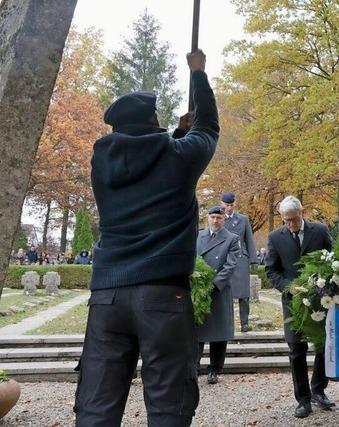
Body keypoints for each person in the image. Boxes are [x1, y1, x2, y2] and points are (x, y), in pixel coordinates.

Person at [74, 49, 219, 427]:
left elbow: (148, 162)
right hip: (162, 294)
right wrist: (199, 76)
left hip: (107, 294)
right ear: (153, 118)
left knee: (97, 401)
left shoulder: (101, 162)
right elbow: (210, 131)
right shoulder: (178, 156)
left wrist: (176, 135)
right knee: (168, 399)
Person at [265, 196, 334, 418]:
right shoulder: (275, 237)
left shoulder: (320, 231)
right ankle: (302, 399)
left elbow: (332, 260)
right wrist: (289, 287)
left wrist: (326, 283)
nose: (292, 225)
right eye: (287, 221)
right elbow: (272, 271)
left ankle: (319, 389)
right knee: (296, 349)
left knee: (322, 345)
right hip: (293, 303)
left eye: (294, 219)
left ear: (302, 212)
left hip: (320, 298)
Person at [196, 206, 241, 386]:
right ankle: (193, 366)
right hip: (198, 290)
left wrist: (213, 284)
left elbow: (230, 266)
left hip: (218, 290)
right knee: (196, 331)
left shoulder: (232, 239)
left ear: (224, 219)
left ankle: (214, 369)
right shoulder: (197, 237)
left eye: (219, 218)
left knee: (219, 333)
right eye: (213, 217)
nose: (215, 221)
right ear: (207, 218)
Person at [221, 192, 259, 332]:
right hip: (223, 260)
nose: (229, 208)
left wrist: (254, 259)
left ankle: (244, 323)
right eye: (226, 205)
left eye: (231, 205)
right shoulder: (218, 218)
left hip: (240, 259)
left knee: (244, 293)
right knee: (225, 293)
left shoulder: (243, 219)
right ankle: (227, 323)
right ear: (222, 204)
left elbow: (249, 240)